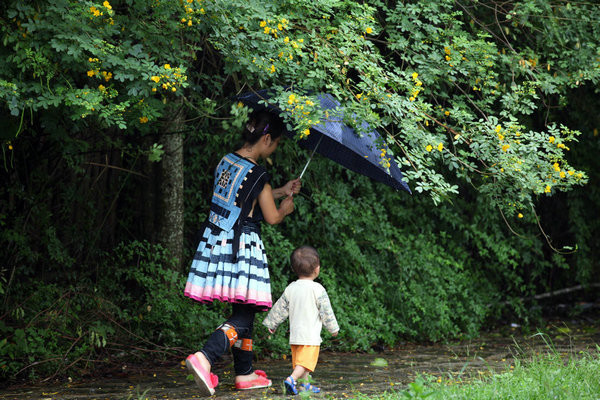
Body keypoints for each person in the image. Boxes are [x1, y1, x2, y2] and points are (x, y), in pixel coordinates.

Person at [184, 110, 301, 396]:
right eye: (275, 144)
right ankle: (205, 357)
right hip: (242, 247)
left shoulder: (227, 161)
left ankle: (245, 373)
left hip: (216, 241)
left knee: (243, 308)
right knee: (245, 316)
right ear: (267, 138)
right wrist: (285, 207)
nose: (274, 149)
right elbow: (271, 217)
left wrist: (279, 189)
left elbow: (242, 198)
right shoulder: (259, 173)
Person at [262, 245, 339, 395]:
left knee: (300, 362)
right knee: (305, 363)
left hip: (296, 336)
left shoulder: (291, 288)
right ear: (317, 268)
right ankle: (291, 379)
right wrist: (333, 329)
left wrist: (272, 323)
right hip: (310, 336)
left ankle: (305, 386)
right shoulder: (318, 289)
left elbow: (280, 308)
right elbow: (326, 312)